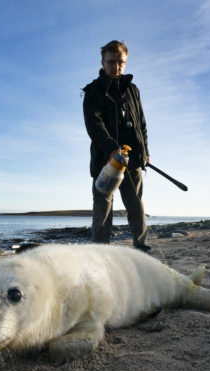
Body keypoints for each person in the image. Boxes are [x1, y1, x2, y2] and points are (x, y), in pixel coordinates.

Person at [82, 40, 151, 252]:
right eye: (111, 62)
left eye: (120, 62)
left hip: (133, 160)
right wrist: (112, 146)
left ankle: (142, 247)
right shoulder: (93, 91)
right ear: (102, 62)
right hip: (106, 161)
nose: (116, 66)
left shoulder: (133, 90)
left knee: (135, 204)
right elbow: (94, 124)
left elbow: (141, 122)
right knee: (103, 207)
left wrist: (145, 151)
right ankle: (100, 251)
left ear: (126, 62)